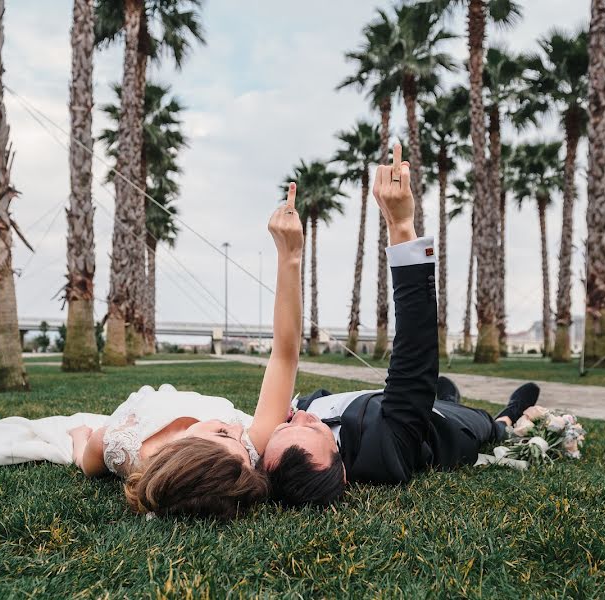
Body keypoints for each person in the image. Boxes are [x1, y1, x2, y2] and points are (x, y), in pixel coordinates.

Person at [258, 143, 542, 507]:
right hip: (446, 427)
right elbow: (414, 349)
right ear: (343, 471)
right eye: (309, 427)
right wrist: (400, 224)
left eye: (287, 426)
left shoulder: (273, 450)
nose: (297, 418)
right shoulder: (384, 454)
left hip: (391, 403)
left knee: (437, 390)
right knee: (488, 424)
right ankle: (506, 412)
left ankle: (443, 394)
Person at [66, 182, 305, 518]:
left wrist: (80, 436)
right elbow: (284, 354)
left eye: (224, 432)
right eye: (237, 440)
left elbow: (85, 461)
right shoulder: (247, 449)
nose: (239, 428)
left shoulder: (120, 445)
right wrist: (290, 257)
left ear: (180, 449)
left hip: (146, 406)